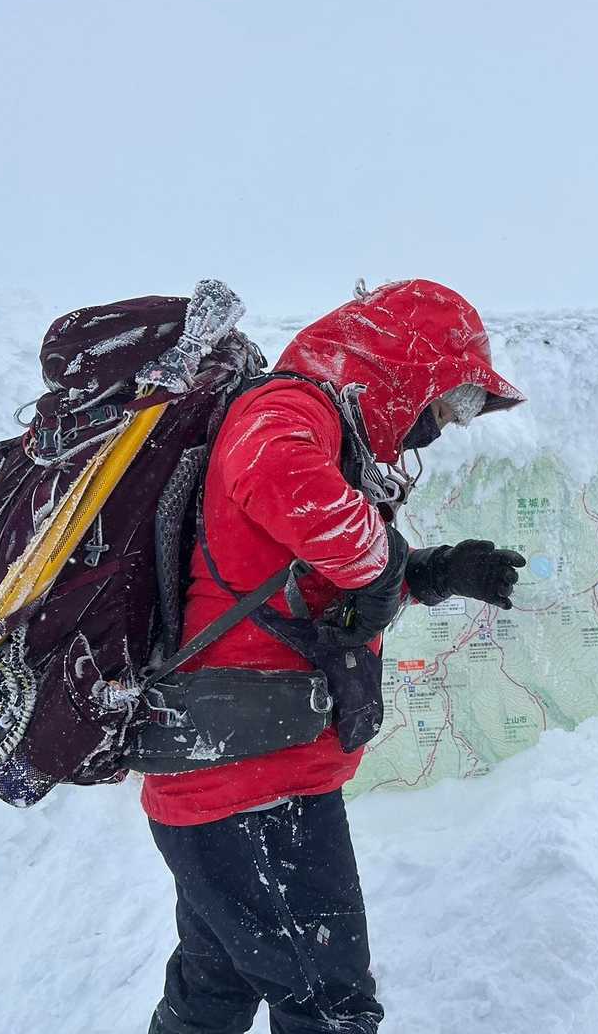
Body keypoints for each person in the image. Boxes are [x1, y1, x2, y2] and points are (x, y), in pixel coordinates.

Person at [143, 279, 527, 1034]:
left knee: (213, 994)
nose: (444, 424)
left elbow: (315, 584)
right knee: (330, 1008)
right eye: (448, 401)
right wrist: (383, 567)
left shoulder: (329, 433)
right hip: (253, 782)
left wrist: (432, 572)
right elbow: (276, 477)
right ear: (403, 373)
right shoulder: (288, 408)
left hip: (235, 771)